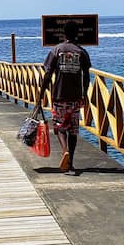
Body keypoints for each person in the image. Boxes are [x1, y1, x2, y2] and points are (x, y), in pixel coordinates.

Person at [37, 20, 91, 174]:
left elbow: (47, 75)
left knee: (60, 127)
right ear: (77, 34)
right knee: (73, 130)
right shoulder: (81, 52)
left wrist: (41, 94)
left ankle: (64, 151)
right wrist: (84, 94)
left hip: (59, 96)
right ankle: (71, 163)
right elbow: (86, 76)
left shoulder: (57, 50)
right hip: (76, 97)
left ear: (64, 34)